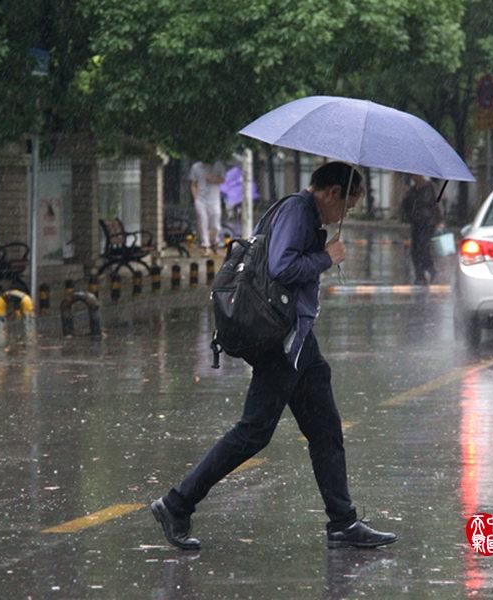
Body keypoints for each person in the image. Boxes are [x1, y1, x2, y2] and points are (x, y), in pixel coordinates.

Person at [152, 161, 398, 551]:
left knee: (325, 428)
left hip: (298, 342)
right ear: (332, 193)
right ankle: (176, 502)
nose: (345, 214)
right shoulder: (299, 211)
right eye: (347, 205)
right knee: (253, 432)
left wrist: (319, 251)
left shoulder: (301, 213)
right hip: (281, 342)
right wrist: (326, 257)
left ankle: (342, 522)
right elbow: (282, 266)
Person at [400, 174, 443, 284]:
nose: (414, 178)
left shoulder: (430, 187)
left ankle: (430, 270)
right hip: (416, 223)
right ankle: (420, 276)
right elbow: (406, 208)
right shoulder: (412, 190)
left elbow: (437, 205)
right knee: (414, 250)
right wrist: (405, 198)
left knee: (423, 248)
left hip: (428, 223)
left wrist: (439, 220)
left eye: (416, 175)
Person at [189, 160, 227, 256]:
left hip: (214, 199)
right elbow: (193, 184)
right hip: (201, 199)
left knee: (215, 223)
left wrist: (213, 179)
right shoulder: (196, 167)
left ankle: (214, 241)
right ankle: (205, 245)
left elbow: (223, 180)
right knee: (202, 221)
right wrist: (195, 198)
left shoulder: (218, 165)